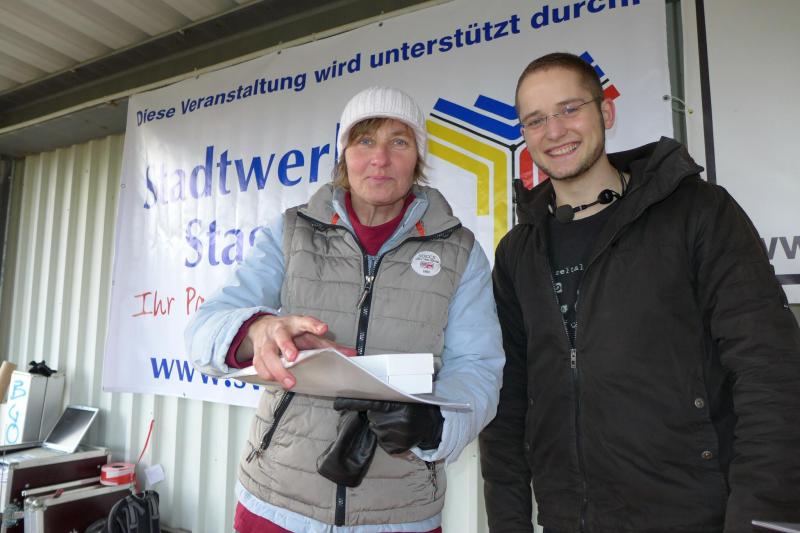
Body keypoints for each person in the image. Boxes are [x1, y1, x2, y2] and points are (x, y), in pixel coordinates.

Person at [479, 52, 800, 533]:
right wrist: (509, 523)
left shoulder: (697, 212)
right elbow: (505, 406)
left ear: (606, 112)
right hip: (569, 519)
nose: (554, 131)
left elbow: (768, 368)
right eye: (536, 120)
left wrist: (763, 517)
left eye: (570, 109)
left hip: (696, 516)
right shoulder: (517, 253)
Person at [186, 86, 504, 532]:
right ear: (344, 156)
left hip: (400, 512)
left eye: (399, 141)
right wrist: (257, 331)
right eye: (364, 140)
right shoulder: (292, 231)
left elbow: (479, 367)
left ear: (418, 157)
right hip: (276, 501)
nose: (380, 158)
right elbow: (204, 330)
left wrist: (436, 424)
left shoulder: (460, 250)